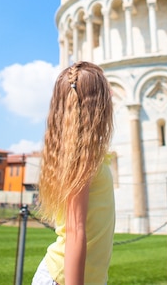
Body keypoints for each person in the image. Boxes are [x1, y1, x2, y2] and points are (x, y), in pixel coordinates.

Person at [32, 61, 115, 285]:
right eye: (106, 91)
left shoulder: (90, 152)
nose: (112, 95)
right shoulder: (81, 157)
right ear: (96, 105)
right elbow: (75, 232)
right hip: (62, 279)